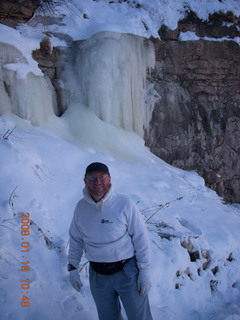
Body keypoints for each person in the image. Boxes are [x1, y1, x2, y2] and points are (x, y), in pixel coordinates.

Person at [68, 162, 153, 320]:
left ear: (110, 179)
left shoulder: (124, 203)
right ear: (85, 181)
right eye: (92, 178)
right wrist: (73, 266)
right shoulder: (81, 208)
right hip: (98, 277)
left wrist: (145, 270)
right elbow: (76, 239)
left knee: (140, 317)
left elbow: (141, 237)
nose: (98, 182)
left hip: (127, 272)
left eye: (102, 177)